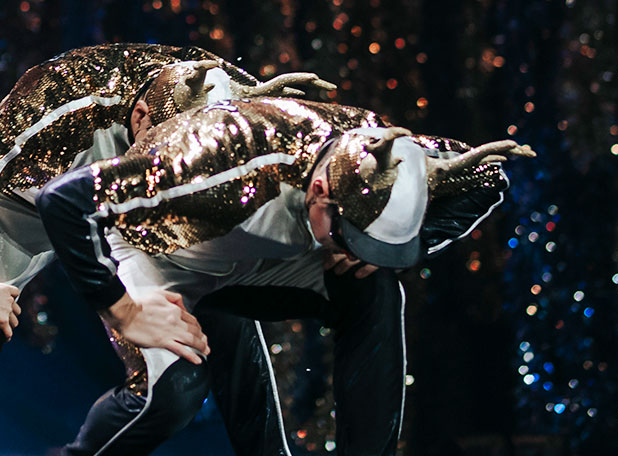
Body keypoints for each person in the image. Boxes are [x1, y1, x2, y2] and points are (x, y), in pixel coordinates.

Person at [0, 44, 335, 456]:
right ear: (142, 115)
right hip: (16, 214)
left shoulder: (230, 102)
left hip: (130, 220)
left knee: (181, 377)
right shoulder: (64, 92)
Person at [38, 97, 532, 456]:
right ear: (320, 189)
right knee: (174, 394)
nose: (352, 252)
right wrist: (123, 311)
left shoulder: (396, 158)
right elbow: (63, 200)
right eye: (349, 237)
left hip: (245, 263)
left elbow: (489, 177)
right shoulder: (218, 155)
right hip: (160, 253)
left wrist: (393, 248)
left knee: (377, 288)